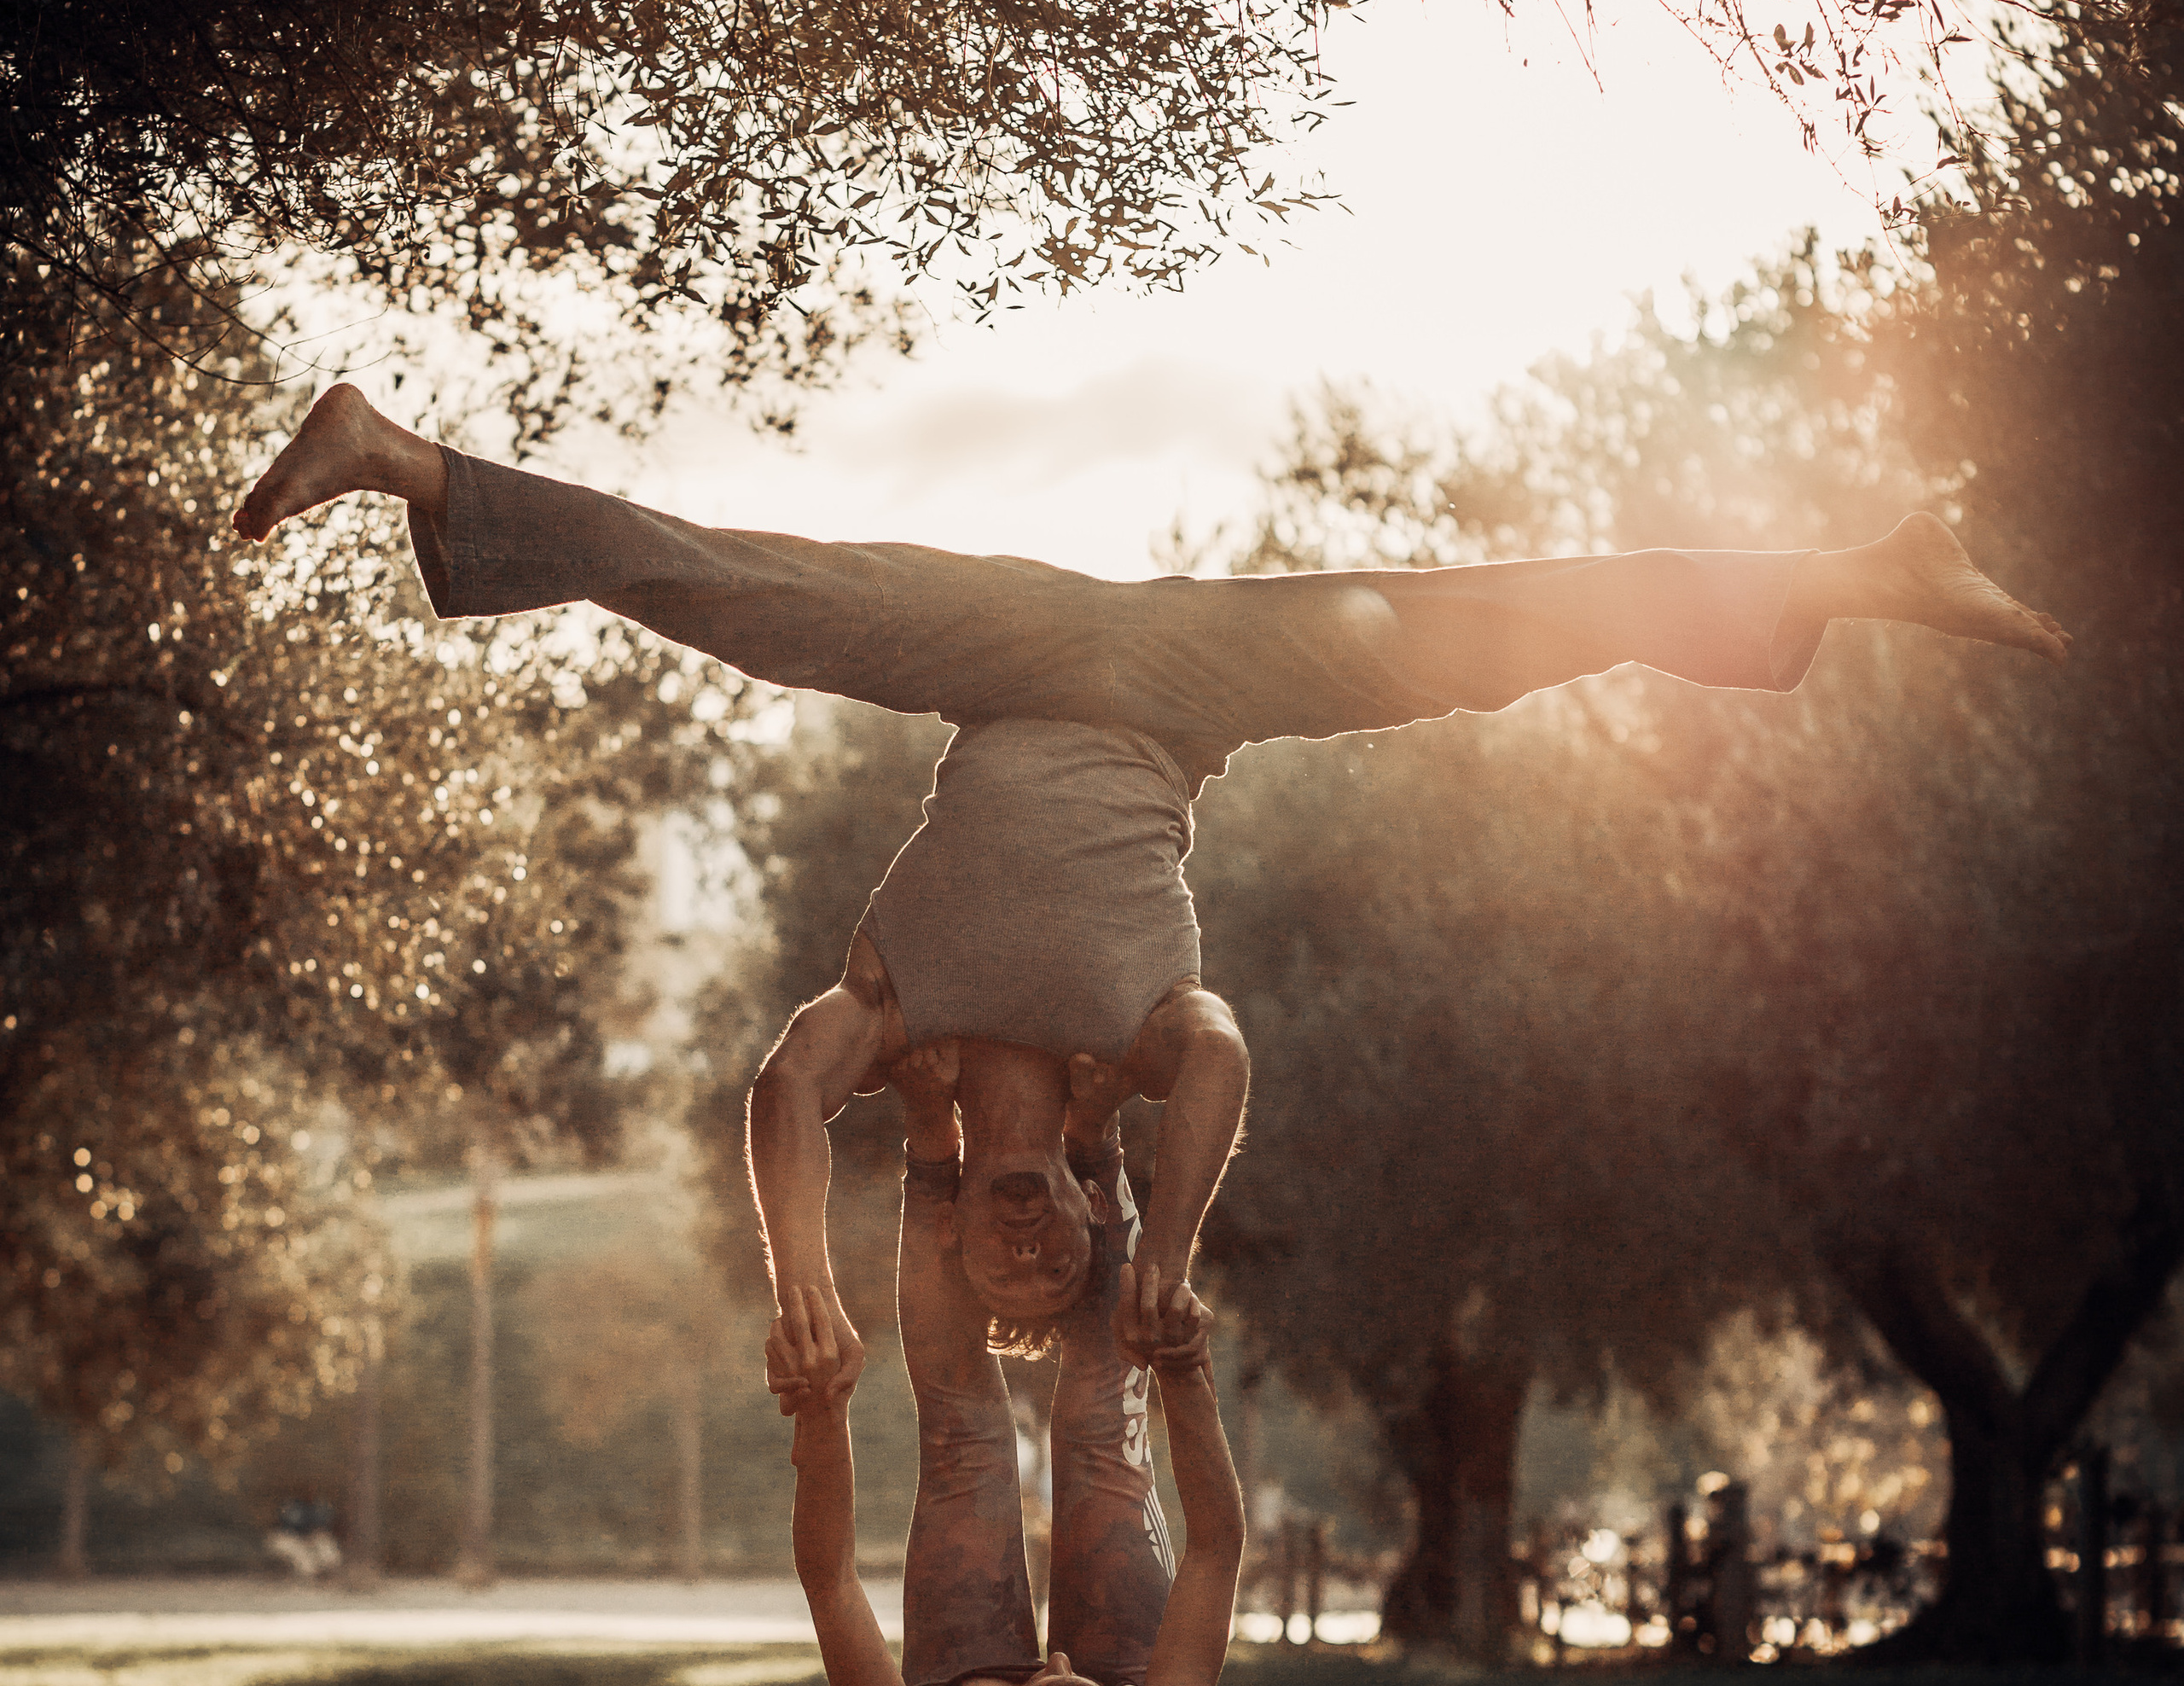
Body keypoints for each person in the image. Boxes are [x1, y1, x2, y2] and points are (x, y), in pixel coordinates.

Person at [236, 385, 2071, 1366]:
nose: (1030, 1245)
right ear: (1100, 1197)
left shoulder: (899, 1027)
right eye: (1069, 1257)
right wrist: (1170, 1264)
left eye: (998, 1256)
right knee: (1491, 631)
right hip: (1200, 681)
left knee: (761, 597)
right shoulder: (1144, 1050)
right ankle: (1858, 566)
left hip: (1001, 648)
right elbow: (1230, 1071)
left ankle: (399, 458)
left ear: (961, 1215)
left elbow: (778, 1092)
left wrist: (806, 1281)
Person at [769, 1046, 1243, 1686]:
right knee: (1100, 1427)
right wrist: (1185, 1372)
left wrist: (821, 1417)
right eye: (1075, 1682)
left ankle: (929, 1142)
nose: (1054, 1658)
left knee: (964, 1439)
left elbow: (830, 1579)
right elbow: (1216, 1546)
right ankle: (1094, 1135)